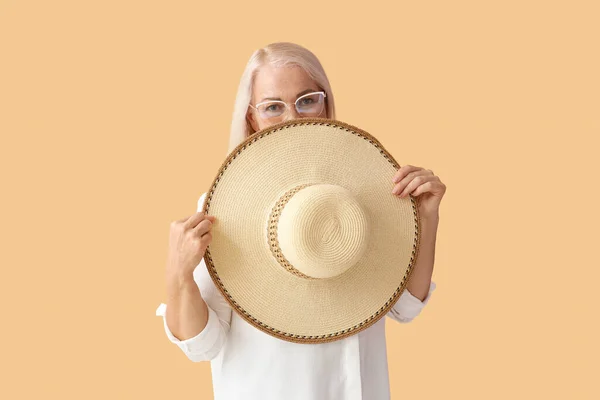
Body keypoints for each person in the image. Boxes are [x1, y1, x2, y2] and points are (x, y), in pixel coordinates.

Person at [156, 42, 446, 400]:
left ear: (326, 103)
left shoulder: (371, 188)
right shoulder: (224, 208)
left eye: (307, 99)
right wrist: (177, 273)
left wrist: (427, 216)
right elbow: (202, 345)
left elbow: (404, 306)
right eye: (273, 106)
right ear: (252, 117)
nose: (292, 118)